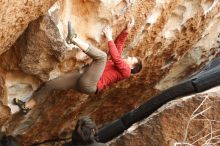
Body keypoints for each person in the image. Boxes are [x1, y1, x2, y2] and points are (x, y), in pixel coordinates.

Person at [13, 17, 142, 114]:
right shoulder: (120, 66)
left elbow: (116, 57)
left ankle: (73, 38)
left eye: (131, 59)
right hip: (84, 80)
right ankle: (26, 107)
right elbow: (118, 47)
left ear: (132, 67)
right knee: (51, 84)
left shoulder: (126, 72)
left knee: (102, 57)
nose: (128, 57)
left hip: (91, 84)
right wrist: (127, 30)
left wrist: (109, 37)